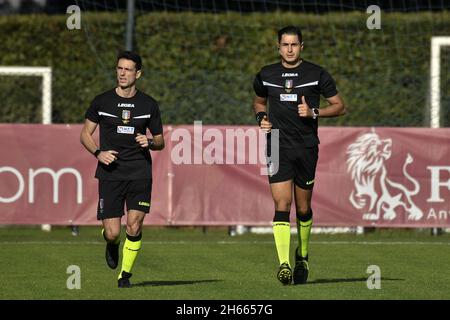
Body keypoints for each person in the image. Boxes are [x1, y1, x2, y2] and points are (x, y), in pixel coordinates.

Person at [252, 26, 346, 285]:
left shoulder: (317, 74)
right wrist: (261, 118)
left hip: (306, 147)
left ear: (301, 47)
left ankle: (302, 254)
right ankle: (283, 264)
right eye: (285, 44)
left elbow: (340, 106)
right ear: (278, 46)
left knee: (303, 208)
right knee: (282, 204)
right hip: (276, 145)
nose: (289, 49)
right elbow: (259, 101)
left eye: (294, 44)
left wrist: (314, 112)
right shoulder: (266, 74)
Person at [80, 51, 165, 288]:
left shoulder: (149, 104)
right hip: (111, 173)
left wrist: (148, 142)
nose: (122, 73)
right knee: (113, 232)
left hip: (140, 171)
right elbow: (84, 134)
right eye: (119, 68)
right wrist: (98, 153)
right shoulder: (102, 101)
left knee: (135, 224)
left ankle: (125, 275)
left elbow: (160, 142)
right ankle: (111, 243)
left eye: (128, 69)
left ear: (138, 73)